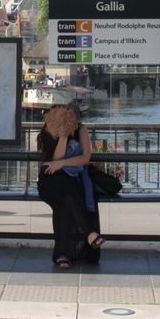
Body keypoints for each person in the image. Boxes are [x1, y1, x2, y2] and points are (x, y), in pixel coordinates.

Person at [36, 105, 105, 269]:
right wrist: (64, 135)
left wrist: (62, 163)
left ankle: (62, 255)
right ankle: (88, 232)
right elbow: (55, 157)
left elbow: (85, 158)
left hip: (71, 180)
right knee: (65, 191)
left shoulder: (81, 129)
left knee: (64, 202)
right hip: (50, 180)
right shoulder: (49, 130)